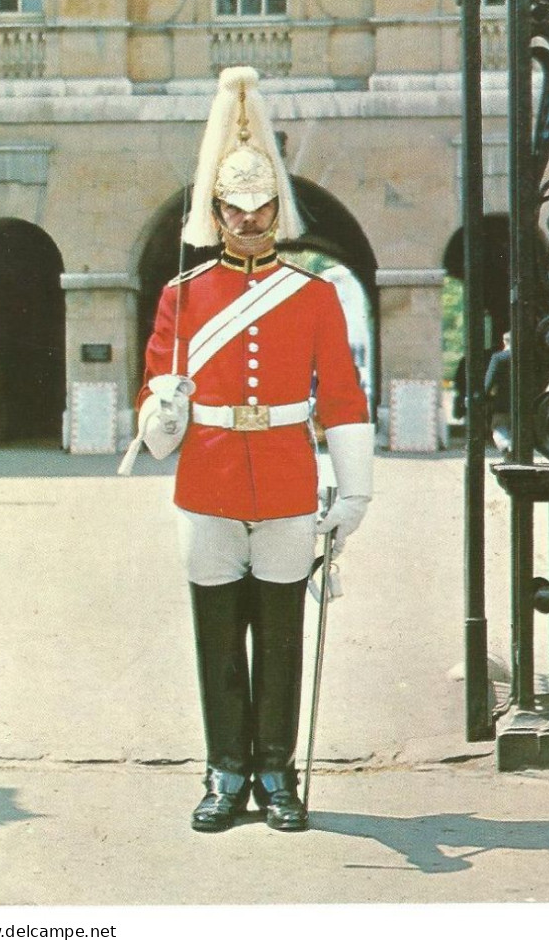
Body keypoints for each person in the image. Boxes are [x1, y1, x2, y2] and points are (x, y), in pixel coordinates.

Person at [127, 66, 373, 833]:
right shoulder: (183, 294)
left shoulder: (313, 292)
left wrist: (354, 490)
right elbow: (154, 414)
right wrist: (162, 410)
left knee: (280, 631)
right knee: (216, 633)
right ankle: (225, 767)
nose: (250, 221)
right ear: (218, 213)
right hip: (208, 480)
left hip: (290, 482)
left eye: (262, 208)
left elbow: (339, 395)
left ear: (276, 210)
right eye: (236, 210)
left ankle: (275, 767)